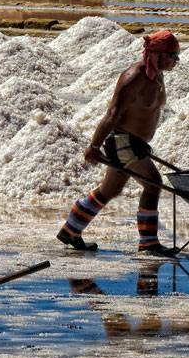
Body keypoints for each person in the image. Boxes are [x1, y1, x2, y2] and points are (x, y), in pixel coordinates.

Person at [56, 30, 181, 258]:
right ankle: (148, 244)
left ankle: (70, 230)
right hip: (123, 141)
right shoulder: (133, 78)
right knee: (153, 183)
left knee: (109, 190)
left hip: (137, 143)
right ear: (158, 54)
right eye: (173, 54)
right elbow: (112, 114)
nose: (177, 60)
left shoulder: (157, 75)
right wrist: (94, 146)